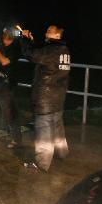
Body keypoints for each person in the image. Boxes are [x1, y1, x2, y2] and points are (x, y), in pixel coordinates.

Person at [20, 24, 70, 172]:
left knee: (44, 132)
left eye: (50, 31)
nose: (46, 32)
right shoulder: (63, 50)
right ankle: (62, 153)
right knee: (57, 128)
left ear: (57, 36)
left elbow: (30, 55)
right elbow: (42, 54)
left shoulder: (51, 51)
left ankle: (41, 164)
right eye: (47, 29)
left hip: (45, 99)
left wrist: (24, 40)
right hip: (58, 97)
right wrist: (33, 41)